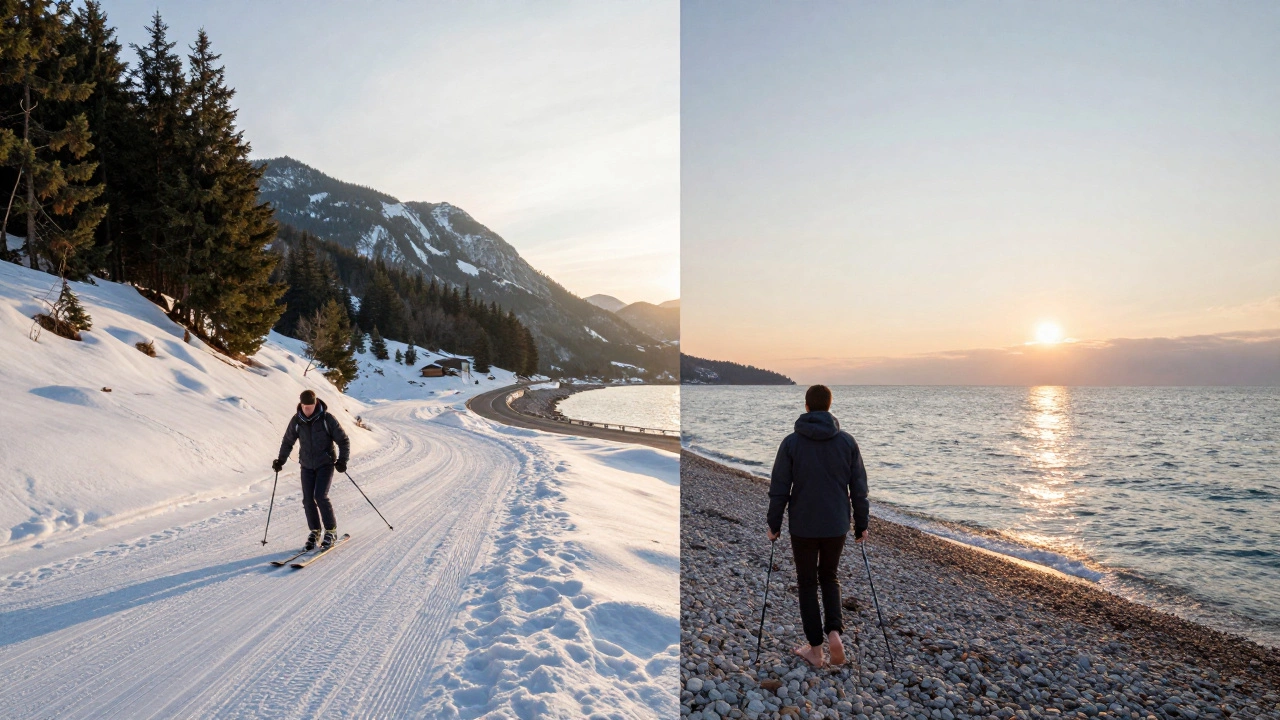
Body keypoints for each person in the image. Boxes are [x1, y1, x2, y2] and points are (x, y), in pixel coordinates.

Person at [767, 384, 869, 668]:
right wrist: (861, 524)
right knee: (830, 577)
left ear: (807, 406)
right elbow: (859, 489)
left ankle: (816, 650)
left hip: (803, 525)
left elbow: (779, 488)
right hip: (836, 524)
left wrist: (773, 524)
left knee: (807, 583)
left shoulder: (791, 443)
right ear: (829, 406)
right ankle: (834, 633)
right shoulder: (847, 442)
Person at [272, 389, 351, 551]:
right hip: (306, 465)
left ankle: (331, 531)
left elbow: (343, 440)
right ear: (300, 405)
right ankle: (315, 531)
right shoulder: (297, 420)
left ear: (315, 404)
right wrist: (281, 460)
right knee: (307, 499)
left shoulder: (327, 419)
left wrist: (342, 460)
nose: (307, 410)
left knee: (320, 496)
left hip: (325, 464)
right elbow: (288, 441)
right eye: (304, 406)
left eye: (309, 406)